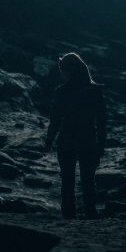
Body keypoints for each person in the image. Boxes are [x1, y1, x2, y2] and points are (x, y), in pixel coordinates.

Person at [45, 52, 107, 219]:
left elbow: (56, 120)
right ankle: (90, 213)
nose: (62, 74)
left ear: (69, 70)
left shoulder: (62, 92)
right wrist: (101, 144)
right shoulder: (95, 90)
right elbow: (102, 121)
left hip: (67, 140)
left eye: (63, 70)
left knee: (67, 182)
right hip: (88, 140)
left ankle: (69, 216)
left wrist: (49, 141)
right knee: (88, 181)